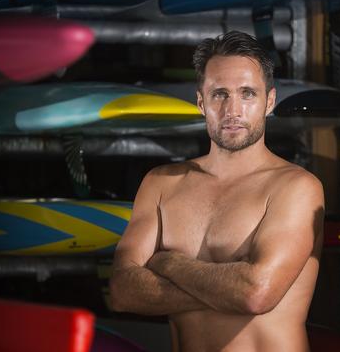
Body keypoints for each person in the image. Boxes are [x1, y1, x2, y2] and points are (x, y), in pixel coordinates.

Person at [109, 30, 324, 352]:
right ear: (201, 102)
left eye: (247, 93)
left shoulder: (295, 187)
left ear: (269, 101)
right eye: (219, 94)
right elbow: (122, 292)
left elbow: (256, 294)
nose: (232, 110)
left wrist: (168, 264)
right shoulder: (161, 183)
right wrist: (226, 288)